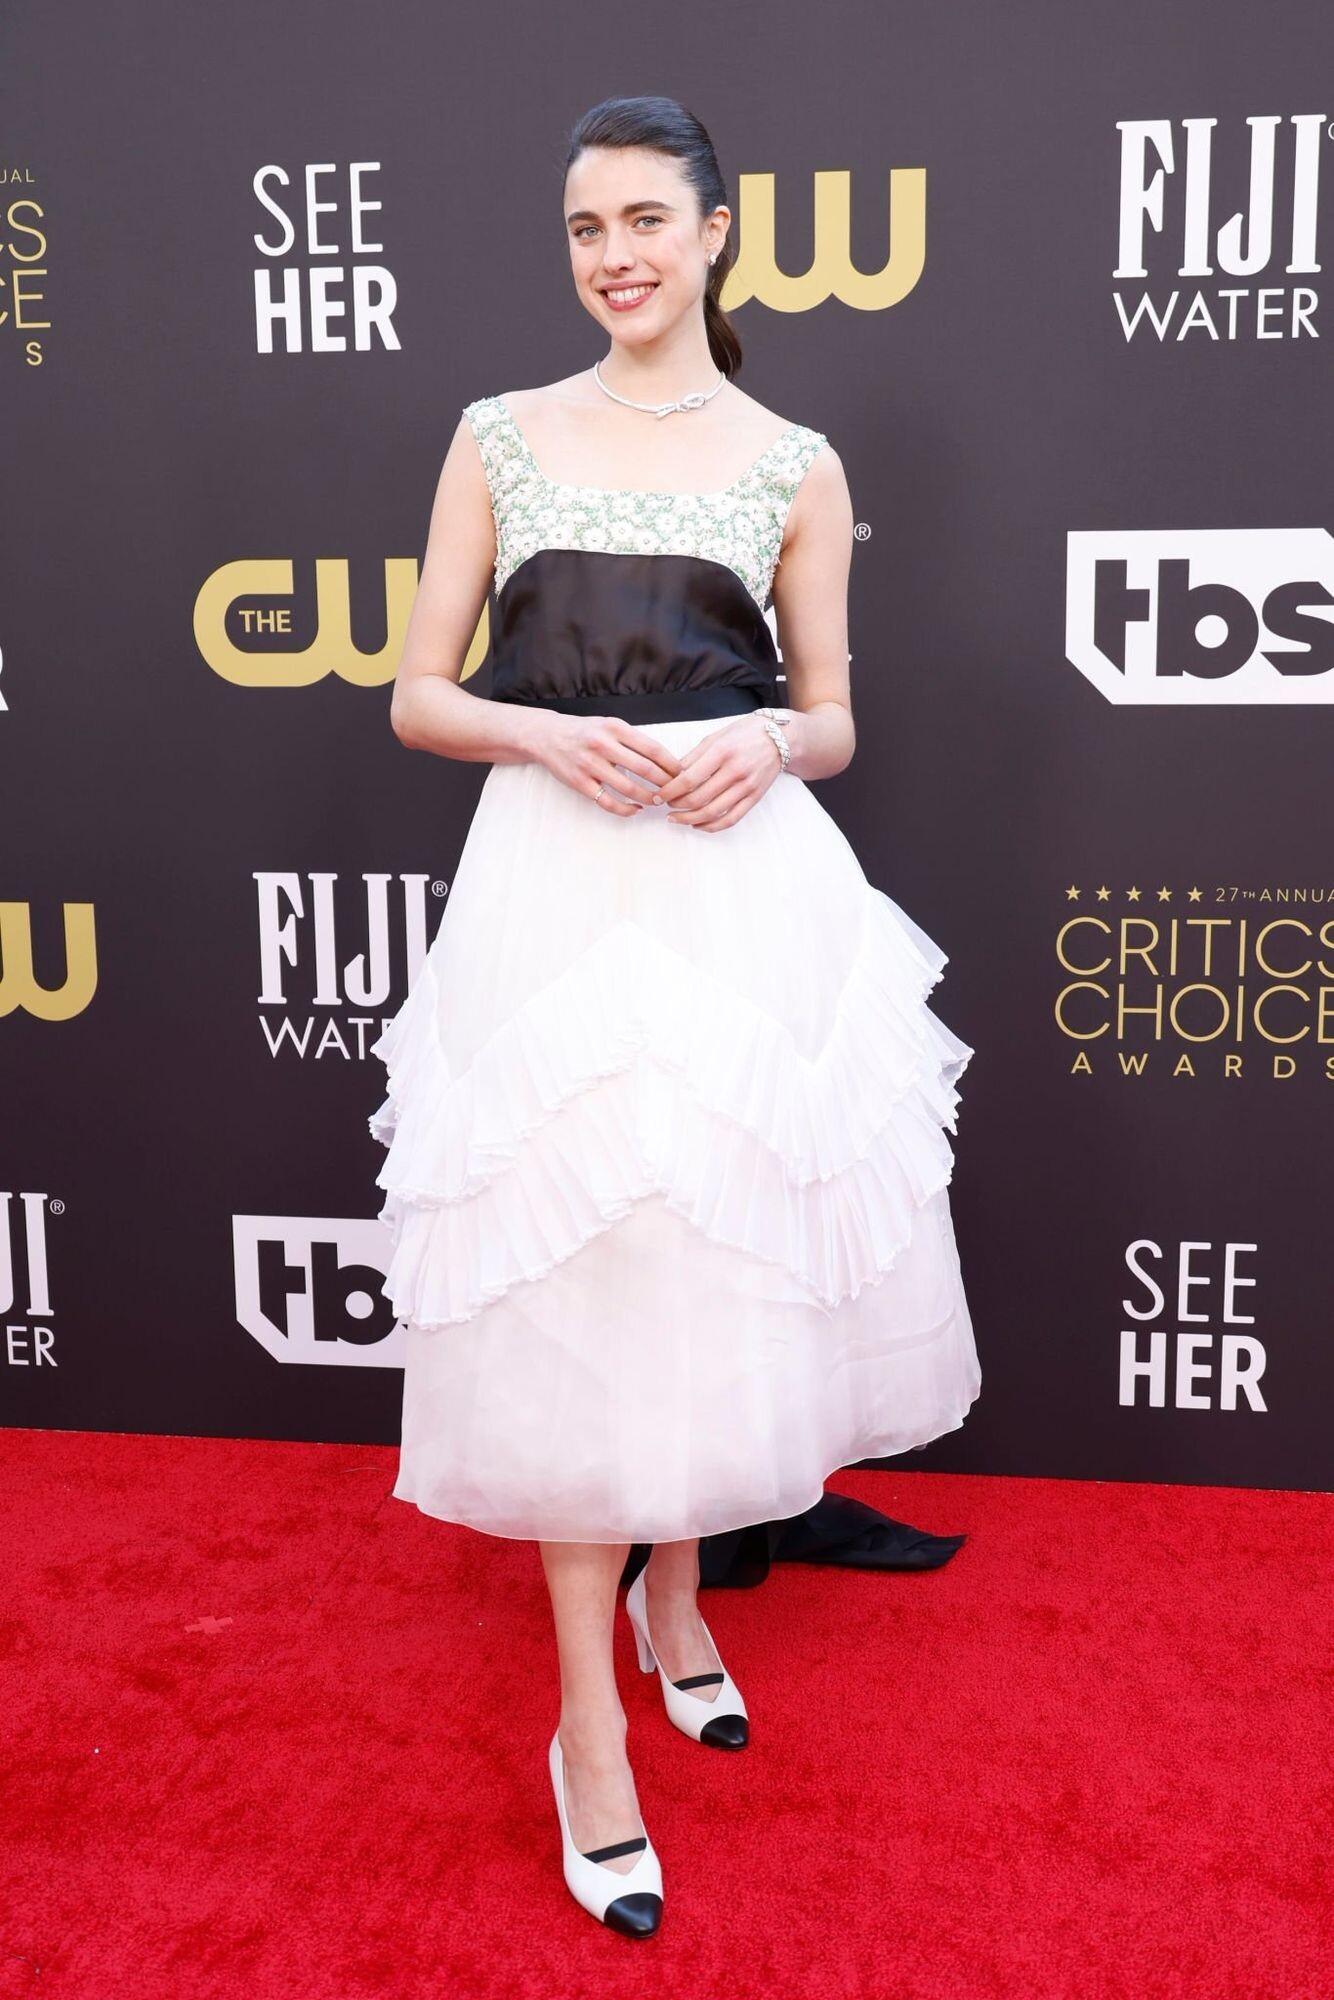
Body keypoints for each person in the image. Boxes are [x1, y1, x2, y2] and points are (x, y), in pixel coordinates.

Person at [369, 93, 981, 1939]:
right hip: (550, 889)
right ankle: (587, 1728)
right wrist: (537, 732)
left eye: (645, 219)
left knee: (706, 1260)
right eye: (585, 227)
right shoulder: (498, 432)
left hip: (735, 893)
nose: (614, 256)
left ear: (716, 233)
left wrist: (766, 746)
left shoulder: (794, 462)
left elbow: (833, 718)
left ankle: (680, 1597)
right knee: (574, 1281)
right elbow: (415, 693)